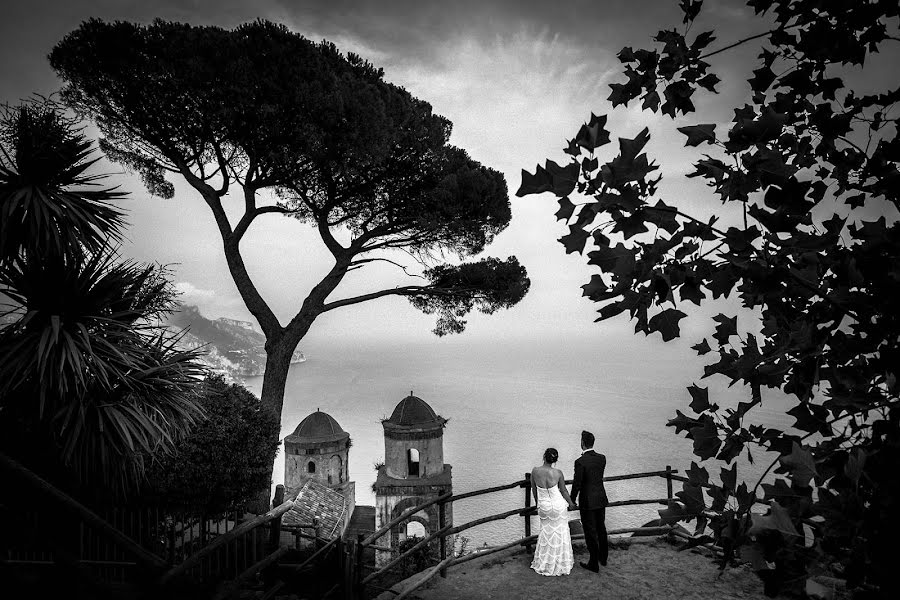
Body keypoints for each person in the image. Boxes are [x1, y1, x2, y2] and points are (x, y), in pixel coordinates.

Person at [530, 447, 577, 576]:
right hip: (558, 506)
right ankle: (560, 562)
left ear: (544, 456)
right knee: (560, 533)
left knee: (546, 533)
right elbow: (563, 491)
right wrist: (571, 503)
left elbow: (534, 490)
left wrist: (538, 504)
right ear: (555, 460)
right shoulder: (558, 473)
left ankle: (545, 562)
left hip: (544, 506)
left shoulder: (535, 471)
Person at [571, 430, 609, 573]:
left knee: (590, 532)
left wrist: (572, 500)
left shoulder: (580, 462)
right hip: (600, 498)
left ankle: (594, 563)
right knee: (601, 528)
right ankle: (603, 558)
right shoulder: (602, 458)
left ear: (582, 443)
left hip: (587, 501)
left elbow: (577, 484)